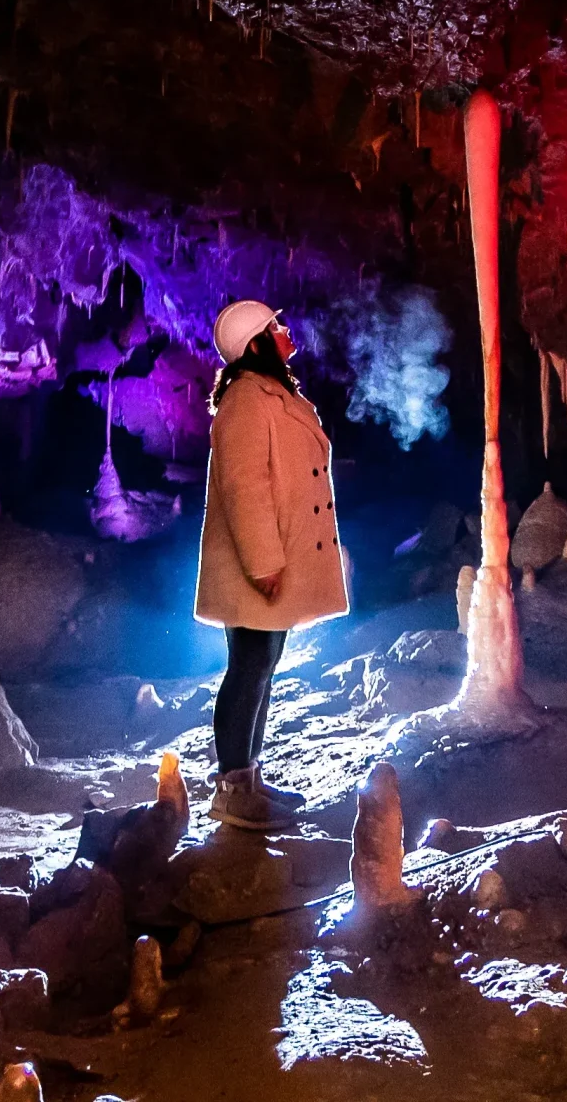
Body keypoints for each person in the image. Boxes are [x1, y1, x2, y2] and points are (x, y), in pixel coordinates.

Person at [194, 299, 350, 829]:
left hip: (277, 558)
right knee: (248, 668)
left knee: (262, 666)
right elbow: (244, 486)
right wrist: (263, 562)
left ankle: (250, 778)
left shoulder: (271, 393)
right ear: (256, 342)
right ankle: (233, 791)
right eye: (275, 326)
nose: (286, 331)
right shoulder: (245, 400)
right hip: (260, 563)